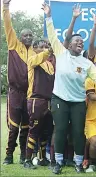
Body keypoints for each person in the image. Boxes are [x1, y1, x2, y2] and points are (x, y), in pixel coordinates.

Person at [42, 2, 96, 174]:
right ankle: (57, 163)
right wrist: (48, 16)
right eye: (76, 41)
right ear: (69, 45)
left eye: (81, 41)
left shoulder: (87, 63)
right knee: (61, 129)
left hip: (78, 101)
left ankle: (79, 163)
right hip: (59, 99)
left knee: (79, 132)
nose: (80, 42)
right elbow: (51, 34)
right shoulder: (61, 53)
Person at [2, 0, 35, 165]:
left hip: (29, 94)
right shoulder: (14, 44)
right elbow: (8, 25)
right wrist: (6, 6)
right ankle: (8, 155)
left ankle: (24, 155)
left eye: (30, 35)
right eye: (25, 35)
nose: (28, 37)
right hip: (15, 93)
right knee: (13, 126)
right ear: (20, 37)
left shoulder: (36, 52)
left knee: (26, 127)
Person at [24, 40, 55, 169]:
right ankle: (27, 160)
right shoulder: (32, 60)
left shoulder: (50, 64)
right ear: (35, 48)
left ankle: (42, 159)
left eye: (46, 47)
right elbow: (41, 57)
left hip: (48, 101)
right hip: (35, 100)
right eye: (41, 47)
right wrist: (49, 51)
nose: (44, 49)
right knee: (34, 130)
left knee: (45, 131)